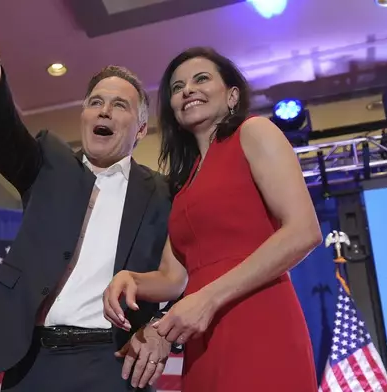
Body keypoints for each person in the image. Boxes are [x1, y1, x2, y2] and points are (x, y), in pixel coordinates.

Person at [0, 1, 176, 390]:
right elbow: (1, 130)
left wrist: (160, 328)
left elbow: (185, 274)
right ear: (83, 117)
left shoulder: (164, 193)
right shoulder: (48, 165)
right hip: (33, 362)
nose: (103, 111)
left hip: (115, 363)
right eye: (95, 103)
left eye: (120, 105)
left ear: (140, 130)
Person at [103, 46, 323, 391]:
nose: (187, 90)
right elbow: (175, 278)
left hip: (260, 319)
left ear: (232, 95)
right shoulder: (184, 182)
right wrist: (131, 279)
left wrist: (207, 299)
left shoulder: (254, 132)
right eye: (177, 88)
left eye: (201, 79)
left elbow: (303, 232)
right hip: (202, 337)